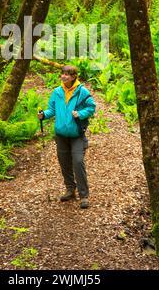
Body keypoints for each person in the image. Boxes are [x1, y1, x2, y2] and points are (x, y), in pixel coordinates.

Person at [38, 65, 96, 209]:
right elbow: (52, 109)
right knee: (64, 163)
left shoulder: (82, 91)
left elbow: (91, 107)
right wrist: (44, 115)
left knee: (77, 162)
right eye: (62, 74)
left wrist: (80, 114)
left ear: (73, 77)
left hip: (77, 134)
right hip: (61, 135)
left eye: (67, 75)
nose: (63, 76)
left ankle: (84, 196)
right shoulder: (57, 92)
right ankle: (70, 190)